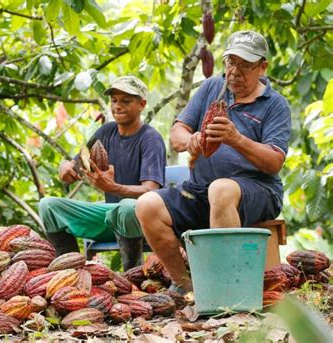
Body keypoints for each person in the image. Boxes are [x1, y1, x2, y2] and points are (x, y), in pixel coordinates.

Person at [135, 30, 291, 294]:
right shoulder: (211, 87)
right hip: (201, 189)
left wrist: (236, 139)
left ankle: (228, 291)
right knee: (147, 204)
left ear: (263, 67)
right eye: (231, 63)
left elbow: (274, 162)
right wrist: (190, 140)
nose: (235, 72)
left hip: (257, 191)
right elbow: (177, 133)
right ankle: (184, 285)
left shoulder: (275, 104)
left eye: (245, 66)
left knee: (221, 188)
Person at [39, 76, 166, 271]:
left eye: (125, 101)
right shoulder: (106, 132)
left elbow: (151, 191)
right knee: (48, 206)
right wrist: (65, 166)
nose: (118, 106)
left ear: (141, 104)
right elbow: (77, 164)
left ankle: (133, 277)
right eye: (114, 100)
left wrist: (114, 188)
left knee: (127, 208)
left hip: (142, 220)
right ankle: (69, 275)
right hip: (110, 217)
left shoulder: (151, 139)